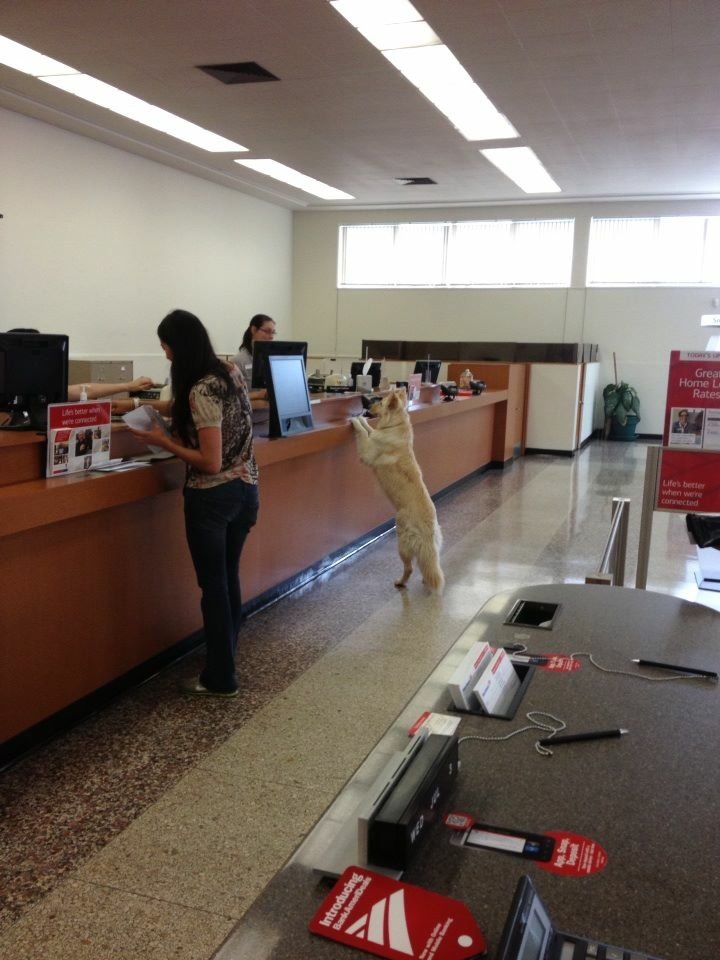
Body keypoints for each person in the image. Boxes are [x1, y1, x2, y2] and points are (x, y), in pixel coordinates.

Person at [128, 309, 259, 698]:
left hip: (212, 497)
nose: (166, 355)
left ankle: (220, 677)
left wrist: (162, 441)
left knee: (213, 588)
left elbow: (210, 461)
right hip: (247, 490)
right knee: (227, 577)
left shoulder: (200, 388)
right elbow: (206, 417)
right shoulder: (227, 372)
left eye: (166, 347)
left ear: (178, 346)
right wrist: (130, 406)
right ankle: (226, 658)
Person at [232, 314, 276, 381]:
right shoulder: (238, 361)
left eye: (273, 332)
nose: (271, 336)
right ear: (254, 330)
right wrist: (263, 392)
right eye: (267, 331)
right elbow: (235, 391)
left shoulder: (273, 358)